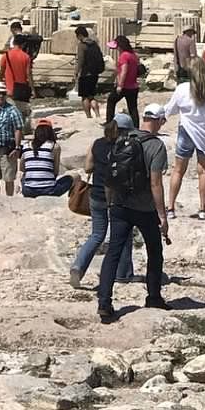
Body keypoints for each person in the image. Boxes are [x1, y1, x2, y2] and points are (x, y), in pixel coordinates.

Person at [97, 102, 171, 323]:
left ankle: (104, 302)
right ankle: (154, 296)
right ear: (158, 121)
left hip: (120, 205)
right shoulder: (156, 146)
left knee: (113, 253)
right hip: (145, 208)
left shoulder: (123, 139)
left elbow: (111, 174)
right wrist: (163, 215)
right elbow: (156, 183)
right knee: (154, 252)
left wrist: (112, 203)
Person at [69, 114, 136, 289]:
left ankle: (78, 267)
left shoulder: (97, 143)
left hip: (96, 194)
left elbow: (87, 167)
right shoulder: (126, 147)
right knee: (123, 233)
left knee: (97, 234)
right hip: (117, 197)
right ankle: (123, 274)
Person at [167, 57, 205, 221]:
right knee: (204, 171)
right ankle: (202, 209)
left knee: (178, 170)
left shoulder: (182, 89)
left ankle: (171, 208)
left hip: (186, 131)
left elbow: (170, 109)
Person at [20, 118, 73, 197]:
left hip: (28, 191)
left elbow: (22, 168)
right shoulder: (54, 146)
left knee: (24, 177)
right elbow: (55, 171)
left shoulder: (26, 146)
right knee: (72, 178)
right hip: (49, 190)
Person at [106, 33, 140, 124]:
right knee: (133, 108)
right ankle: (136, 126)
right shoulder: (133, 55)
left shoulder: (124, 56)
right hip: (134, 86)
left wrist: (120, 85)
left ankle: (109, 122)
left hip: (125, 86)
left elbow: (124, 71)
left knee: (111, 101)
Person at [74, 25, 106, 119]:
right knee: (92, 96)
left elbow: (81, 60)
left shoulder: (82, 45)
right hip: (94, 73)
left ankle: (88, 116)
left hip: (85, 74)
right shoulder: (94, 44)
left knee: (84, 97)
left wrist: (76, 72)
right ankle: (97, 114)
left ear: (79, 35)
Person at [0, 36, 33, 120]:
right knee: (22, 115)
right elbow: (28, 74)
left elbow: (1, 71)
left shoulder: (6, 55)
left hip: (9, 89)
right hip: (21, 90)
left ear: (13, 43)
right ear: (23, 44)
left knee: (9, 114)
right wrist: (33, 89)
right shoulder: (26, 57)